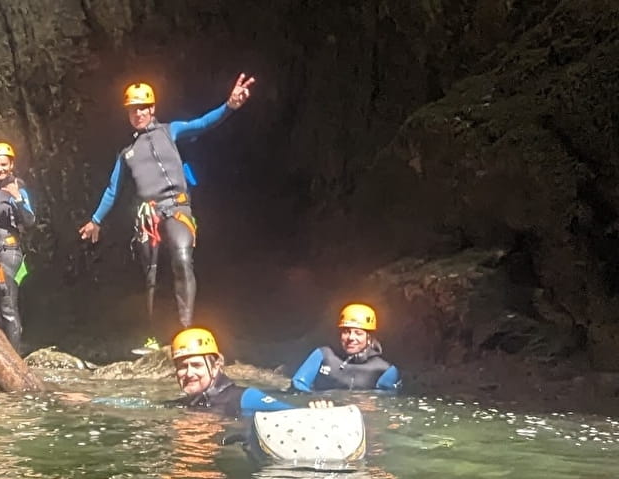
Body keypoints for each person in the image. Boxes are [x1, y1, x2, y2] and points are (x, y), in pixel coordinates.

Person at [78, 75, 254, 334]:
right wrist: (95, 220)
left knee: (182, 258)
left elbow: (202, 123)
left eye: (142, 108)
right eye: (132, 109)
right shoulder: (126, 153)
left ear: (152, 109)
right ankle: (152, 335)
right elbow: (112, 189)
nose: (137, 113)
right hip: (149, 215)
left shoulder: (170, 130)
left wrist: (229, 105)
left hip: (177, 208)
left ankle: (186, 327)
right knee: (150, 275)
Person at [167, 327, 330, 417]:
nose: (189, 373)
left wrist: (317, 414)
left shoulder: (244, 397)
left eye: (196, 365)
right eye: (182, 366)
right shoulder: (184, 404)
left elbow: (290, 413)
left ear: (216, 365)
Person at [0, 142, 35, 350]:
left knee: (7, 305)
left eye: (4, 164)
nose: (0, 169)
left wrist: (18, 199)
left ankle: (14, 355)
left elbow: (30, 221)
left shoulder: (17, 187)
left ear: (11, 165)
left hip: (8, 252)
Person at [290, 303, 402, 392]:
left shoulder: (384, 369)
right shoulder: (323, 355)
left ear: (369, 338)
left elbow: (388, 401)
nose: (351, 338)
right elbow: (298, 384)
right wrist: (314, 400)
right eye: (346, 332)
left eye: (358, 333)